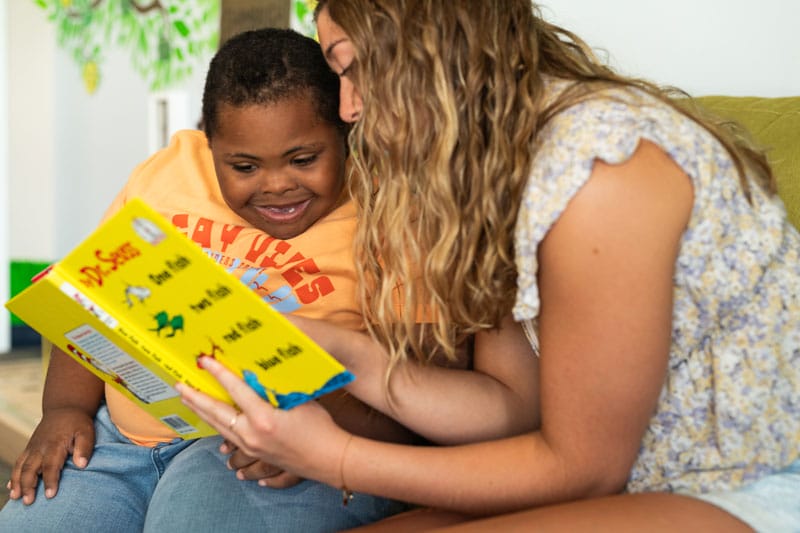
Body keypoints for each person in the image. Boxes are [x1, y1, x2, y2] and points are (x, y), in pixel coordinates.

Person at [176, 1, 800, 531]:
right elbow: (512, 406)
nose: (348, 107)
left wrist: (335, 457)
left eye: (355, 69)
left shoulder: (601, 164)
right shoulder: (491, 169)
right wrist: (349, 354)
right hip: (632, 479)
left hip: (746, 481)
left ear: (429, 50)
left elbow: (584, 466)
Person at [3, 26, 538, 533]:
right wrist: (66, 410)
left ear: (347, 130)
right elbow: (91, 301)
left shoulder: (390, 211)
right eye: (243, 166)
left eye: (304, 159)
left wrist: (313, 430)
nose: (277, 185)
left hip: (274, 449)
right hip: (124, 438)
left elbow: (415, 412)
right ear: (209, 145)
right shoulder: (170, 172)